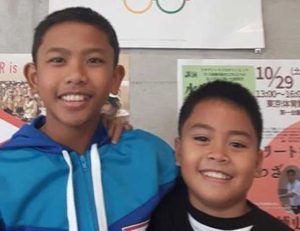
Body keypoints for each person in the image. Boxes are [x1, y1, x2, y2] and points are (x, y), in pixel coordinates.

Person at [0, 7, 177, 231]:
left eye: (94, 60)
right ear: (34, 79)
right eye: (58, 60)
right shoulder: (5, 170)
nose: (76, 75)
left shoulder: (152, 156)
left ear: (115, 78)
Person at [147, 80, 292, 231]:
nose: (218, 154)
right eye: (202, 139)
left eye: (237, 144)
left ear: (257, 162)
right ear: (179, 152)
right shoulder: (148, 217)